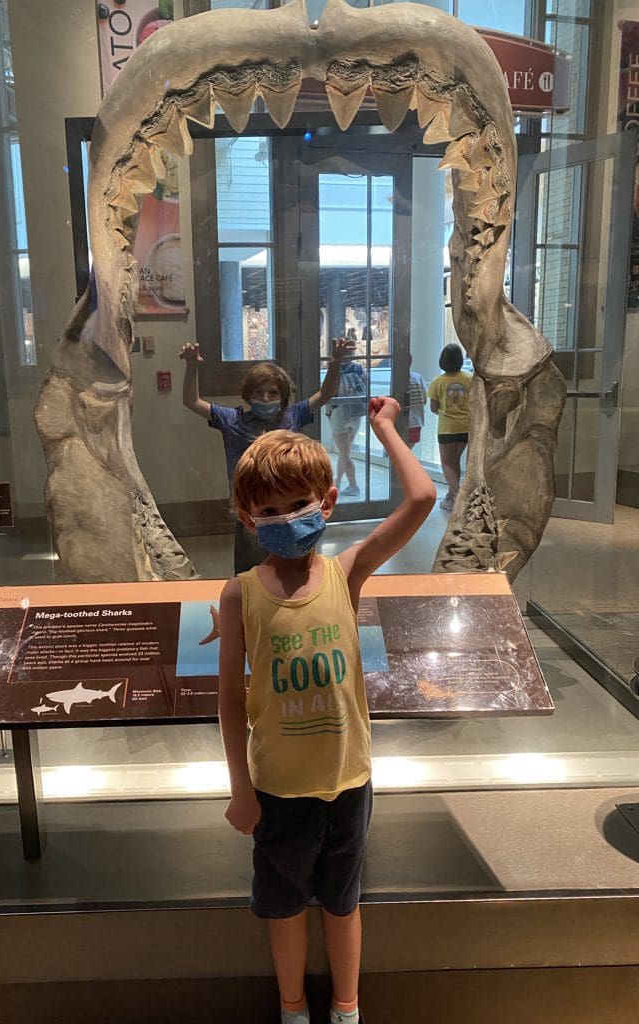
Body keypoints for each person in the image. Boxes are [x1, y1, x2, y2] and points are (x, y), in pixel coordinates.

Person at [217, 402, 436, 1024]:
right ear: (247, 516)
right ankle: (292, 1008)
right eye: (270, 510)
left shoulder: (348, 573)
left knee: (343, 901)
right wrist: (241, 790)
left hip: (348, 780)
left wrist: (385, 428)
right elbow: (230, 697)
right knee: (283, 907)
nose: (287, 519)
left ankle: (347, 1007)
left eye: (299, 504)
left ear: (328, 500)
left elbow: (420, 500)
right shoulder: (239, 594)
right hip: (278, 790)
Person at [180, 339, 354, 573]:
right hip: (252, 506)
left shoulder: (292, 415)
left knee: (295, 565)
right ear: (247, 394)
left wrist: (336, 362)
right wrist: (192, 365)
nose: (265, 398)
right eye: (258, 392)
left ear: (283, 396)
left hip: (290, 503)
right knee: (251, 569)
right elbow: (191, 401)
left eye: (273, 393)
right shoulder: (233, 420)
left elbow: (325, 394)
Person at [427, 343, 472, 511]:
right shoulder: (469, 378)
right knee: (454, 462)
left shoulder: (437, 382)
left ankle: (459, 497)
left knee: (446, 463)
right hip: (466, 427)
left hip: (446, 428)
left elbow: (433, 408)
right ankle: (451, 496)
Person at [325, 337, 367, 497]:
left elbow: (328, 393)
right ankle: (339, 482)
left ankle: (353, 485)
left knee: (344, 451)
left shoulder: (334, 368)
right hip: (355, 412)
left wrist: (328, 411)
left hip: (339, 412)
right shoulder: (359, 369)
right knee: (345, 450)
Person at [406, 355, 427, 449]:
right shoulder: (418, 377)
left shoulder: (396, 380)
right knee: (408, 449)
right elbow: (425, 399)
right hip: (416, 421)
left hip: (400, 421)